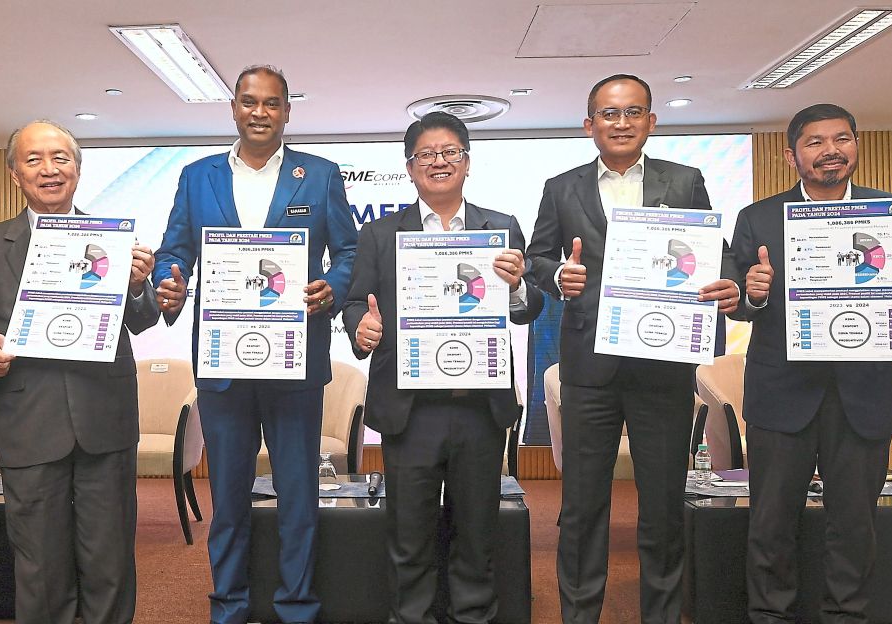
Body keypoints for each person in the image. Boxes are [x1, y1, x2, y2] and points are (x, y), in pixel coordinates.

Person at [525, 73, 740, 623]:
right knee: (581, 508)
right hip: (588, 370)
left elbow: (715, 251)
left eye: (633, 112)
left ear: (651, 121)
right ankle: (579, 615)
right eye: (609, 113)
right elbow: (536, 257)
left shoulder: (684, 181)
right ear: (589, 124)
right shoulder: (561, 187)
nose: (621, 123)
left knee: (663, 507)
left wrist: (730, 282)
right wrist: (557, 276)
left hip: (662, 368)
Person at [154, 64, 357, 624]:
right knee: (227, 499)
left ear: (287, 111)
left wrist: (333, 286)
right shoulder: (197, 177)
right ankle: (229, 606)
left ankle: (297, 607)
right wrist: (170, 280)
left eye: (271, 103)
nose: (259, 112)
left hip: (295, 359)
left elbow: (348, 251)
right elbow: (174, 251)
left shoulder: (320, 175)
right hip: (223, 363)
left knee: (298, 496)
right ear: (234, 108)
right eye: (249, 101)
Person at [731, 103, 892, 623]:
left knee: (855, 527)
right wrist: (753, 294)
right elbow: (738, 301)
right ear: (791, 156)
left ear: (856, 146)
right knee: (771, 525)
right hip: (782, 393)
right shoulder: (757, 217)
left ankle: (846, 617)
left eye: (841, 139)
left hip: (863, 393)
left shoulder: (887, 212)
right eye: (815, 142)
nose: (831, 151)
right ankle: (770, 616)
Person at [0, 120, 159, 624]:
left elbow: (142, 318)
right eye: (34, 159)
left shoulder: (112, 240)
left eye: (61, 158)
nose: (49, 169)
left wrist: (137, 286)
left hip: (104, 417)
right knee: (39, 561)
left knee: (110, 556)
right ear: (14, 173)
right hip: (28, 418)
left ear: (78, 170)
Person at [343, 111, 541, 623]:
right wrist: (361, 329)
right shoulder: (380, 234)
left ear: (467, 163)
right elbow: (355, 302)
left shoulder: (501, 228)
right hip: (410, 411)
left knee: (477, 534)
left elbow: (530, 304)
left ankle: (473, 616)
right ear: (410, 168)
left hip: (480, 407)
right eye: (426, 154)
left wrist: (517, 287)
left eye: (450, 152)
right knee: (409, 535)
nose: (439, 162)